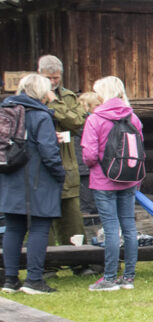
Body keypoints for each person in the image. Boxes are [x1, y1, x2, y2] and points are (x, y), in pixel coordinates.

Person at [1, 74, 66, 294]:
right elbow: (48, 151)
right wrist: (60, 173)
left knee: (13, 227)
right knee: (40, 226)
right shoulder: (40, 115)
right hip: (38, 179)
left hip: (9, 175)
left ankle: (10, 280)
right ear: (41, 91)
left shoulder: (6, 110)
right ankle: (34, 280)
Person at [82, 76, 144, 292]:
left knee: (110, 229)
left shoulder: (95, 119)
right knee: (129, 227)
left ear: (103, 93)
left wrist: (94, 165)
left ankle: (109, 278)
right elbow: (140, 150)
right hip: (129, 178)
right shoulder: (133, 117)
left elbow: (89, 155)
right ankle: (128, 278)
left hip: (103, 180)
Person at [37, 56, 88, 264]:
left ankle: (80, 261)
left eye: (56, 78)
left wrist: (54, 103)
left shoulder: (67, 97)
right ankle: (47, 265)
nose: (52, 82)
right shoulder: (29, 95)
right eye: (48, 78)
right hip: (39, 166)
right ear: (39, 74)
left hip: (65, 164)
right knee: (42, 219)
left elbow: (77, 122)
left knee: (72, 216)